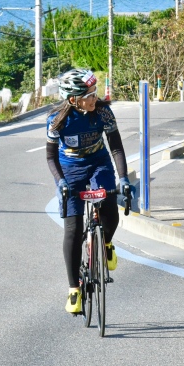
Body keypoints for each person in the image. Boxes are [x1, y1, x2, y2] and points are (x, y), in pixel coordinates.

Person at [46, 69, 131, 314]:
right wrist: (61, 181)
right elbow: (51, 157)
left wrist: (123, 178)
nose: (94, 99)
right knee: (73, 228)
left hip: (98, 162)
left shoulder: (103, 112)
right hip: (69, 168)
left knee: (109, 205)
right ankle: (74, 289)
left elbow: (116, 148)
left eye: (94, 93)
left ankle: (105, 243)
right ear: (73, 99)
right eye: (89, 95)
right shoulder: (57, 120)